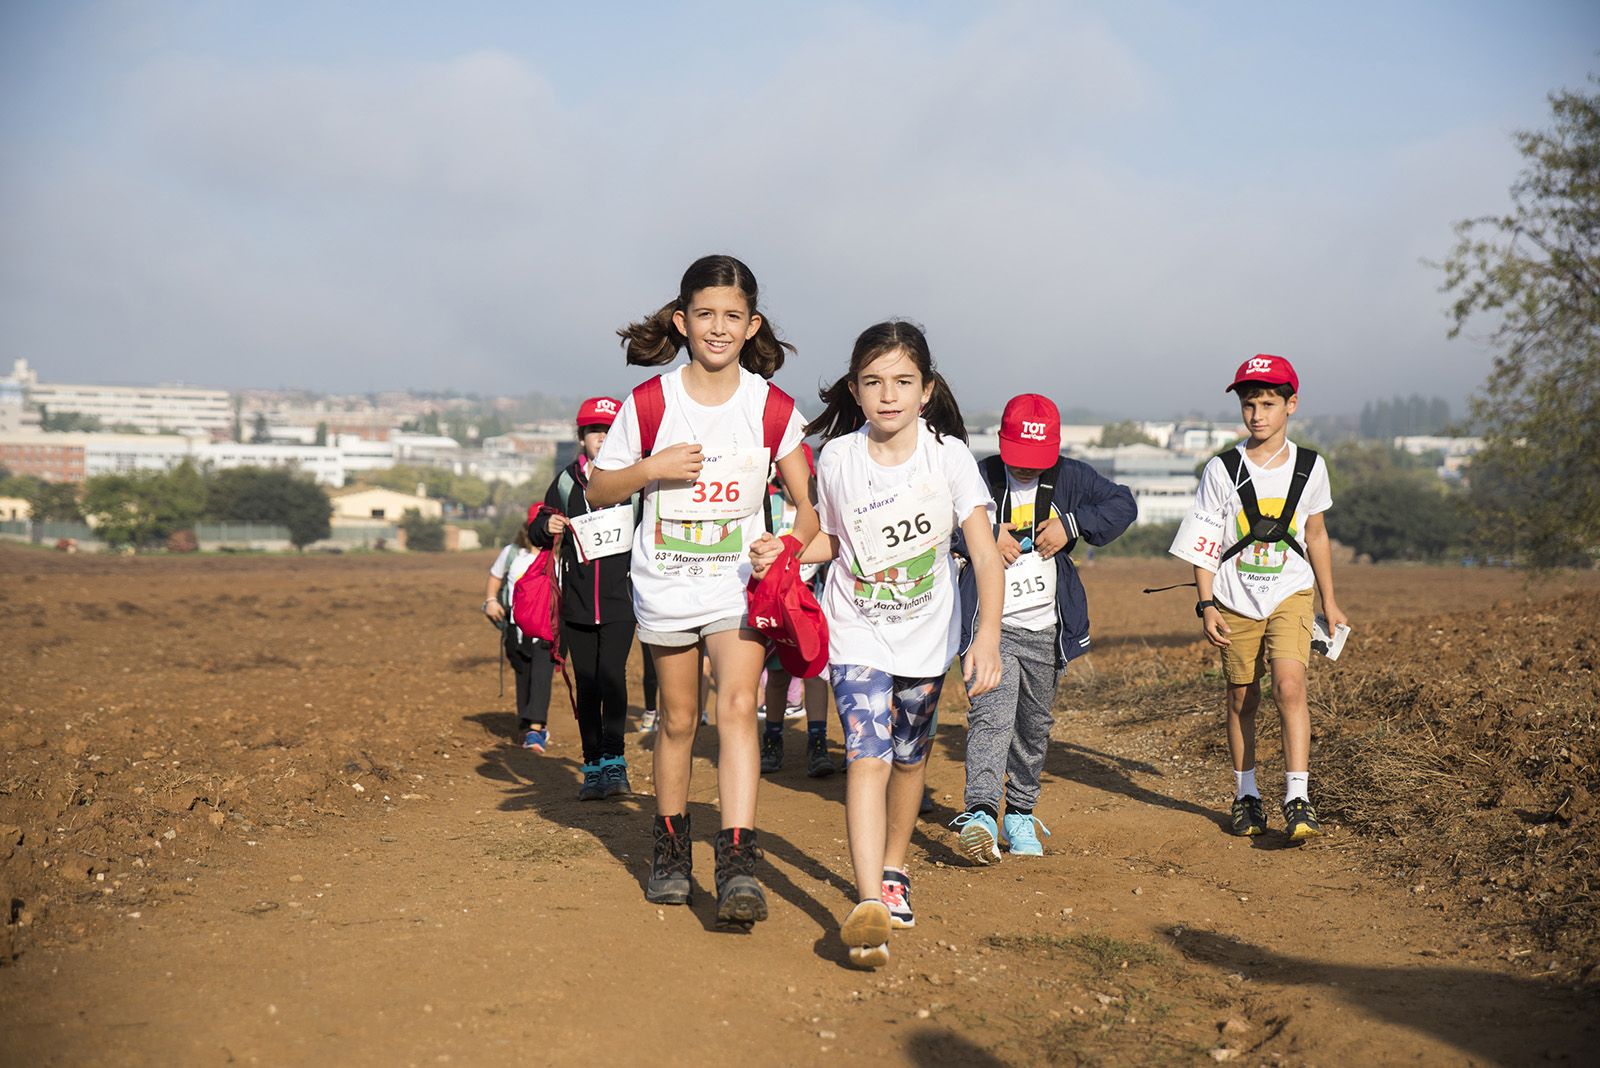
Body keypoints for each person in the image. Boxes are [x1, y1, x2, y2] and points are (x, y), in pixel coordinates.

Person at [753, 319, 1002, 969]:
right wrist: (782, 553)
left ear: (925, 391)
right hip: (856, 627)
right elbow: (832, 540)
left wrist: (989, 637)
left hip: (925, 636)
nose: (887, 395)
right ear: (856, 392)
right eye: (872, 382)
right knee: (867, 754)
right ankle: (869, 902)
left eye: (902, 381)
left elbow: (983, 554)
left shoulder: (947, 458)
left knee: (910, 758)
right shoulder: (837, 458)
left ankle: (895, 868)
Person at [586, 253, 817, 927]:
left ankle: (739, 863)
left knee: (738, 708)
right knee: (680, 721)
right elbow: (599, 488)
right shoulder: (650, 403)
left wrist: (789, 544)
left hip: (737, 586)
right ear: (683, 321)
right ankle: (669, 850)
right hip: (664, 583)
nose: (719, 328)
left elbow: (808, 510)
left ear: (753, 326)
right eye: (706, 315)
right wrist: (650, 469)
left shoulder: (772, 409)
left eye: (733, 317)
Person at [948, 394, 1136, 863]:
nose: (1027, 469)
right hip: (990, 627)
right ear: (1000, 442)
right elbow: (938, 521)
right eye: (1019, 460)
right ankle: (981, 815)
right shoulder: (981, 476)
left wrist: (1072, 524)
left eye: (1037, 461)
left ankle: (1020, 813)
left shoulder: (1072, 477)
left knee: (1033, 726)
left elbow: (1122, 505)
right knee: (991, 719)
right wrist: (984, 537)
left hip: (1047, 629)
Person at [1191, 355, 1349, 841]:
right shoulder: (1222, 469)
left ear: (1290, 405)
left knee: (1289, 687)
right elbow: (1204, 539)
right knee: (1242, 697)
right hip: (1235, 596)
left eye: (1267, 403)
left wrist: (1330, 600)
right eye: (1248, 404)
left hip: (1291, 592)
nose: (1256, 414)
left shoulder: (1310, 466)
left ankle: (1298, 798)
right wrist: (1206, 604)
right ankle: (1246, 795)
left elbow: (1317, 535)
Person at [530, 397, 639, 801]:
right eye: (595, 432)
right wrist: (548, 523)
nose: (602, 438)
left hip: (619, 602)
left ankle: (616, 763)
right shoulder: (565, 482)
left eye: (609, 431)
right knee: (588, 684)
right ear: (581, 438)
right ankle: (592, 766)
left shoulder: (634, 483)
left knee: (612, 678)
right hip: (576, 602)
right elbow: (537, 527)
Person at [759, 443, 837, 778]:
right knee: (777, 675)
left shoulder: (821, 513)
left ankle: (817, 742)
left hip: (810, 600)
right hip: (775, 603)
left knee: (816, 674)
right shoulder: (770, 506)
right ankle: (773, 739)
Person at [483, 508, 557, 751]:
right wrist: (491, 601)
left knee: (541, 674)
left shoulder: (559, 555)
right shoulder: (513, 553)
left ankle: (536, 729)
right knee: (523, 673)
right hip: (516, 627)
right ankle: (527, 726)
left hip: (548, 627)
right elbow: (495, 577)